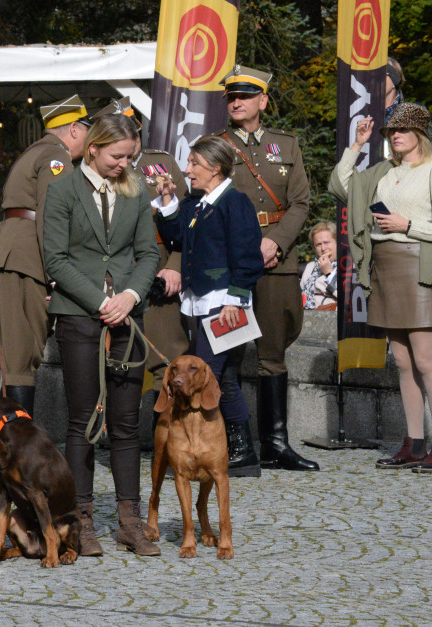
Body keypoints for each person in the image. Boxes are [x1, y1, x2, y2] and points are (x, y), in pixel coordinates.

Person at [42, 113, 159, 556]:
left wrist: (129, 296)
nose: (124, 164)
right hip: (79, 316)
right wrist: (99, 301)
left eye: (130, 156)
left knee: (128, 424)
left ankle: (129, 521)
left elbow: (148, 252)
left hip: (127, 317)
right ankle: (80, 520)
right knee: (84, 422)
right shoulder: (62, 190)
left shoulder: (136, 188)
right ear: (93, 148)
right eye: (117, 155)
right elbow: (56, 260)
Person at [212, 64, 319, 472]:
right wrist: (245, 248)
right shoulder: (215, 145)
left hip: (278, 259)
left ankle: (276, 444)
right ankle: (235, 445)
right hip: (232, 264)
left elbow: (301, 202)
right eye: (231, 97)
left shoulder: (286, 145)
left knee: (274, 352)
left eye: (244, 96)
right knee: (229, 351)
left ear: (263, 101)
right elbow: (209, 201)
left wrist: (275, 242)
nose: (236, 102)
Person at [329, 103, 432, 473]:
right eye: (391, 132)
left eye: (403, 130)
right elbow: (341, 186)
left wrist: (407, 224)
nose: (395, 136)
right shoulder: (382, 171)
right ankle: (413, 443)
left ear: (420, 135)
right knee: (404, 363)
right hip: (385, 267)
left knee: (426, 360)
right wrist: (357, 145)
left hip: (420, 266)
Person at [153, 135, 265, 477]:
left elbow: (247, 253)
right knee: (225, 377)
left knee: (206, 377)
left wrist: (236, 299)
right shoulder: (197, 203)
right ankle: (242, 453)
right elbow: (175, 234)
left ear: (216, 168)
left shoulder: (236, 202)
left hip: (223, 304)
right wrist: (169, 198)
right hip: (200, 302)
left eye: (194, 165)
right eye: (188, 164)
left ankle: (201, 451)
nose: (187, 171)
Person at [0, 94, 90, 414]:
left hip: (18, 255)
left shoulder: (36, 152)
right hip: (27, 259)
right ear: (74, 129)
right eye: (88, 131)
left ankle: (14, 437)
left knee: (19, 352)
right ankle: (18, 443)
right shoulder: (56, 158)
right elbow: (53, 216)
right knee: (23, 352)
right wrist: (58, 274)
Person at [100, 96, 191, 390]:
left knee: (168, 357)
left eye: (133, 131)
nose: (131, 139)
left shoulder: (162, 163)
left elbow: (188, 222)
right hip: (116, 271)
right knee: (117, 356)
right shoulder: (97, 169)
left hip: (161, 273)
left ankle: (164, 435)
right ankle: (116, 434)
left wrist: (176, 266)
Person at [385, 57, 432, 157]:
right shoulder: (360, 111)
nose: (376, 80)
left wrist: (402, 161)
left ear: (395, 79)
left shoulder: (415, 111)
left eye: (383, 75)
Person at [300, 222, 338, 310]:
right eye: (318, 244)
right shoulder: (310, 267)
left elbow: (346, 296)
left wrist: (329, 273)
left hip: (331, 316)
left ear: (337, 242)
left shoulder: (345, 265)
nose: (323, 248)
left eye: (326, 242)